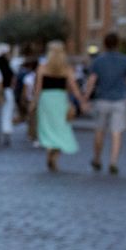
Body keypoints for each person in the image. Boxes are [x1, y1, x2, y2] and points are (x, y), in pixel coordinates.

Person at [83, 32, 126, 174]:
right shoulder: (125, 60)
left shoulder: (98, 60)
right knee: (116, 132)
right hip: (120, 99)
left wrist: (85, 98)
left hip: (102, 99)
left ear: (104, 44)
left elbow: (92, 80)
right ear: (117, 44)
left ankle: (97, 159)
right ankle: (113, 161)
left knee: (100, 131)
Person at [33, 41, 83, 172]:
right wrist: (82, 101)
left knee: (48, 128)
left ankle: (50, 149)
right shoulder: (67, 69)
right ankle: (55, 156)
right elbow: (74, 89)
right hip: (60, 100)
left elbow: (37, 88)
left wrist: (34, 102)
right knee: (61, 128)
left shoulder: (42, 67)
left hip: (46, 100)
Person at [0, 54, 16, 146]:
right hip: (8, 91)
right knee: (8, 113)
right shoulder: (10, 70)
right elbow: (13, 82)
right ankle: (7, 132)